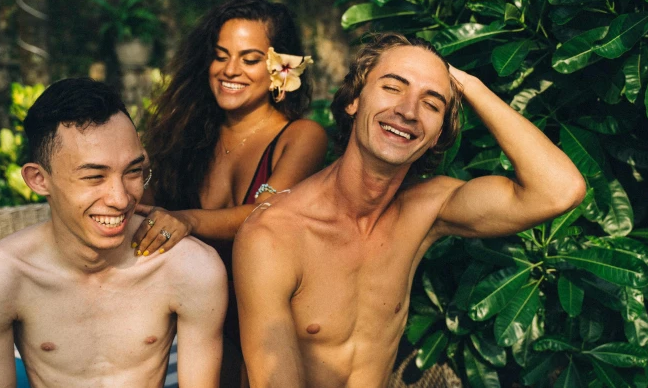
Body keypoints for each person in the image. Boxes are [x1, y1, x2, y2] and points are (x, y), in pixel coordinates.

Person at [233, 33, 587, 387]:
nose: (407, 111)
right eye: (392, 87)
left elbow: (559, 191)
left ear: (437, 135)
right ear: (354, 100)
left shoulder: (426, 211)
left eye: (432, 104)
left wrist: (470, 85)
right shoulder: (273, 236)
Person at [0, 77, 227, 388]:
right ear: (39, 180)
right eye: (95, 176)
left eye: (133, 171)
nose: (121, 198)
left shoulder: (189, 268)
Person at [131, 0, 328, 385]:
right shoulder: (185, 133)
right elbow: (142, 202)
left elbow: (265, 214)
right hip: (184, 316)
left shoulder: (302, 137)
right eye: (221, 56)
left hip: (261, 325)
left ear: (279, 69)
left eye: (250, 59)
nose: (229, 70)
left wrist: (185, 220)